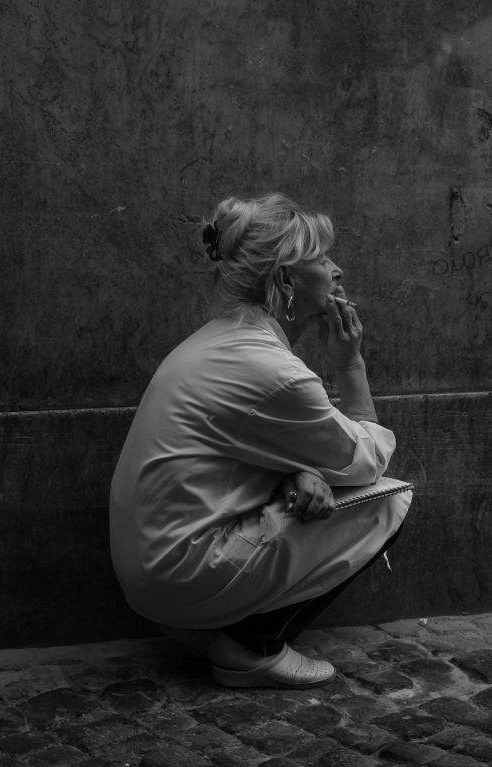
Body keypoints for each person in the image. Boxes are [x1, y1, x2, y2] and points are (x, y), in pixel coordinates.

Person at [109, 192, 412, 689]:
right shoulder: (272, 370)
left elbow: (240, 446)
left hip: (154, 569)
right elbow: (368, 460)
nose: (337, 270)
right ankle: (250, 648)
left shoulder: (219, 339)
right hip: (179, 575)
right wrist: (350, 364)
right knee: (387, 501)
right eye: (322, 259)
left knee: (318, 485)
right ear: (287, 280)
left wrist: (300, 470)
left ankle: (212, 624)